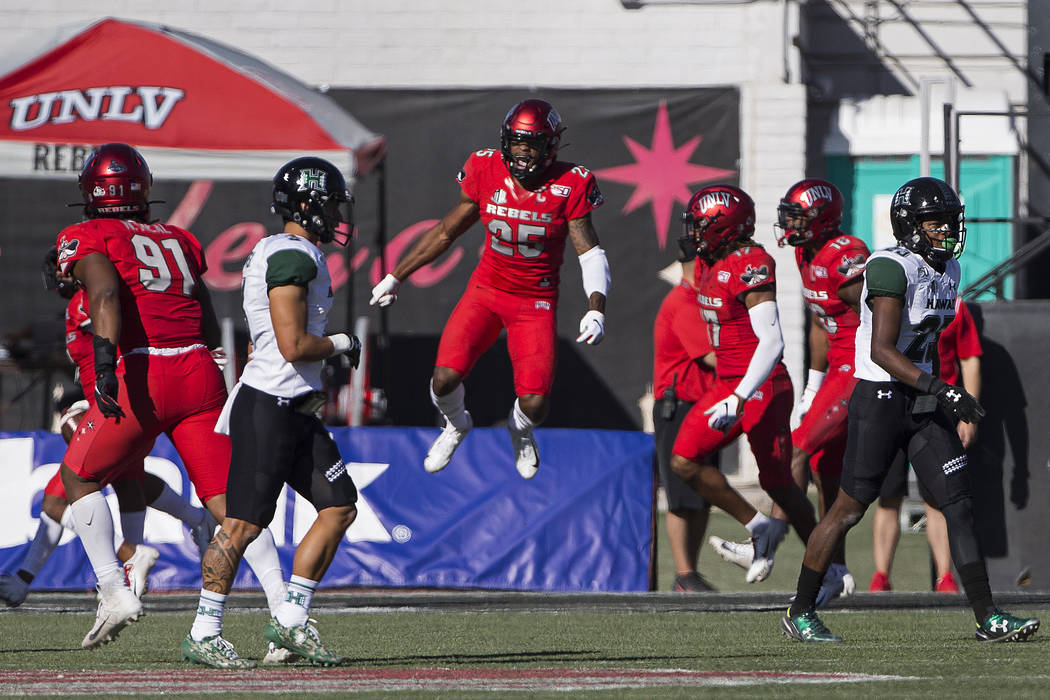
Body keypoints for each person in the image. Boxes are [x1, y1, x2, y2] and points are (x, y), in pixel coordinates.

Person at [782, 176, 1039, 643]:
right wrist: (946, 390)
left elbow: (926, 345)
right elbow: (882, 349)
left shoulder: (949, 270)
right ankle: (800, 610)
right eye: (935, 222)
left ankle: (988, 617)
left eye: (948, 221)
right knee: (848, 509)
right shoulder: (889, 267)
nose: (945, 230)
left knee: (958, 503)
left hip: (920, 402)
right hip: (879, 398)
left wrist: (939, 393)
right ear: (911, 225)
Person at [55, 143, 286, 650]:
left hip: (146, 368)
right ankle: (286, 611)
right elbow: (199, 305)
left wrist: (106, 362)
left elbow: (105, 296)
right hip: (199, 368)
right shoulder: (178, 237)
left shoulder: (87, 233)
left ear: (93, 190)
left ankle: (115, 590)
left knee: (80, 474)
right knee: (231, 503)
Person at [181, 156, 362, 669]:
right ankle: (204, 629)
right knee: (241, 526)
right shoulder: (291, 257)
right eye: (327, 203)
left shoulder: (284, 249)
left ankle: (290, 621)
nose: (335, 213)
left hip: (295, 406)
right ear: (306, 204)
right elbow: (293, 344)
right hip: (269, 403)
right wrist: (343, 342)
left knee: (339, 504)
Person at [369, 98, 609, 479]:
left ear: (550, 146)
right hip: (486, 291)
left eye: (530, 144)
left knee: (534, 404)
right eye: (515, 143)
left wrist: (596, 307)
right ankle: (455, 424)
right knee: (443, 379)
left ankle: (520, 428)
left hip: (535, 302)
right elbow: (448, 230)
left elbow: (590, 252)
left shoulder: (571, 183)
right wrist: (397, 275)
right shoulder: (484, 168)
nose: (521, 153)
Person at [0, 252, 219, 608]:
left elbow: (116, 327)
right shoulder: (78, 304)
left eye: (64, 265)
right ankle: (26, 582)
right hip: (110, 404)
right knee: (100, 485)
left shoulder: (95, 298)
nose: (60, 273)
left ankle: (130, 553)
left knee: (73, 464)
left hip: (118, 406)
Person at [708, 180, 865, 603]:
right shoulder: (804, 251)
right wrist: (813, 384)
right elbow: (818, 320)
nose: (789, 224)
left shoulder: (845, 256)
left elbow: (876, 316)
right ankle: (838, 568)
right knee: (827, 471)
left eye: (798, 217)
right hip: (837, 367)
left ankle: (769, 541)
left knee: (795, 449)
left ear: (823, 219)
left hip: (861, 367)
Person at [669, 184, 817, 584]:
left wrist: (739, 395)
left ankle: (830, 567)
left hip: (761, 383)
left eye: (701, 226)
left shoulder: (749, 261)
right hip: (727, 383)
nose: (693, 234)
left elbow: (772, 341)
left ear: (725, 227)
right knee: (683, 460)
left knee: (780, 484)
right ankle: (758, 526)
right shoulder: (707, 263)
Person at [869, 296, 982, 593]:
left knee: (937, 496)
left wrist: (968, 416)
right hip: (895, 401)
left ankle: (944, 576)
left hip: (938, 408)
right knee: (888, 495)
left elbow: (969, 359)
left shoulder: (954, 305)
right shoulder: (893, 299)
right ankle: (880, 576)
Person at [652, 246, 718, 592]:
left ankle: (691, 572)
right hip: (679, 406)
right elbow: (712, 357)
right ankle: (683, 572)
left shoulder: (702, 301)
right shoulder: (685, 301)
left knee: (703, 491)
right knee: (680, 493)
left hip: (704, 405)